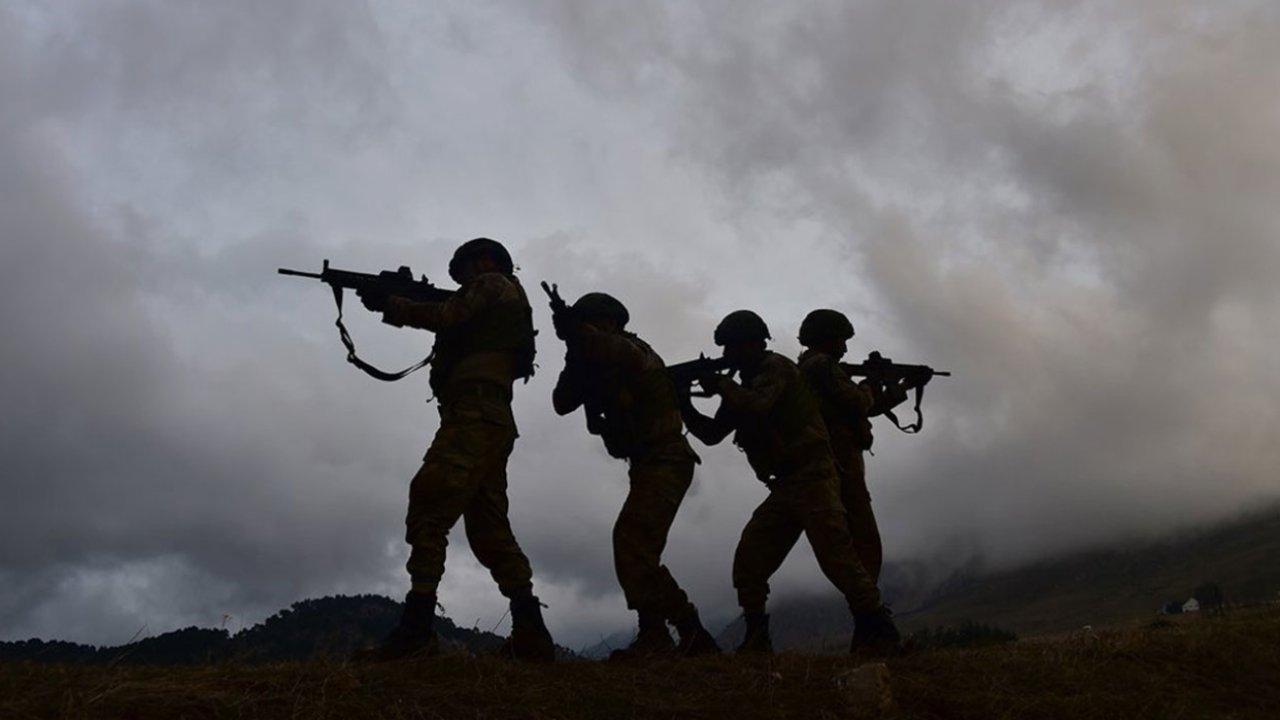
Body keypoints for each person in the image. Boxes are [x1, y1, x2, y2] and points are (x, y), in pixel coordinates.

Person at [354, 238, 555, 662]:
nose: (462, 280)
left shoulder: (494, 283)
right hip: (488, 417)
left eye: (463, 270)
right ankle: (532, 633)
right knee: (488, 530)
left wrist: (392, 305)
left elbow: (445, 314)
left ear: (484, 261)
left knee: (429, 503)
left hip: (475, 415)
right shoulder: (501, 299)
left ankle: (416, 631)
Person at [678, 310, 900, 655]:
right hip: (786, 485)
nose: (728, 356)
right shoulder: (746, 384)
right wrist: (682, 401)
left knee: (838, 559)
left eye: (733, 348)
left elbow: (757, 405)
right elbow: (712, 434)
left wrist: (720, 384)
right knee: (749, 561)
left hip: (813, 477)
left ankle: (880, 630)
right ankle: (757, 637)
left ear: (754, 344)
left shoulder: (776, 368)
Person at [550, 292, 720, 660]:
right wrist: (572, 351)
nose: (587, 329)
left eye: (590, 322)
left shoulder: (634, 351)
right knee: (637, 548)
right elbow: (562, 402)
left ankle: (681, 631)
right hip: (646, 463)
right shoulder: (592, 359)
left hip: (667, 459)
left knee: (631, 542)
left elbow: (611, 350)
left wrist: (576, 334)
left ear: (610, 322)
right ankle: (666, 633)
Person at [795, 309, 910, 585]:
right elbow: (859, 402)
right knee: (862, 535)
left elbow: (861, 409)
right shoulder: (821, 365)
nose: (845, 348)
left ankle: (867, 598)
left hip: (835, 461)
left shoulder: (814, 368)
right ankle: (868, 602)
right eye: (841, 340)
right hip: (838, 462)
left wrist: (902, 386)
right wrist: (871, 383)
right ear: (827, 338)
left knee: (855, 535)